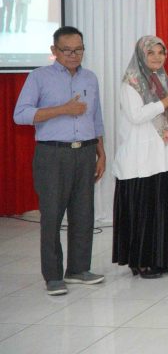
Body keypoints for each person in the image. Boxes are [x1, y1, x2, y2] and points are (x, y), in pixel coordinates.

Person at [13, 26, 106, 295]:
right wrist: (63, 110)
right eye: (67, 50)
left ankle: (78, 269)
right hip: (52, 154)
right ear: (54, 51)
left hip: (86, 152)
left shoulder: (90, 78)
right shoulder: (39, 77)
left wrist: (101, 152)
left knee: (83, 213)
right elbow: (20, 114)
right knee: (52, 215)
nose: (73, 55)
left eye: (78, 50)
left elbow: (96, 118)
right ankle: (53, 276)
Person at [111, 35, 168, 278]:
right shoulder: (131, 83)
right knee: (143, 212)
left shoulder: (164, 81)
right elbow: (136, 115)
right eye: (151, 53)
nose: (157, 58)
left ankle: (160, 258)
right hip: (139, 161)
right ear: (141, 54)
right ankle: (140, 262)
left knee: (161, 210)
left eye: (161, 53)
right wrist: (165, 102)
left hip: (161, 159)